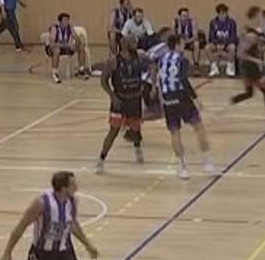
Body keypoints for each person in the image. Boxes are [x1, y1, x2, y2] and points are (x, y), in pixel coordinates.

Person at [152, 33, 214, 179]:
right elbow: (183, 80)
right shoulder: (182, 60)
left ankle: (183, 168)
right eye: (182, 43)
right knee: (198, 127)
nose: (184, 45)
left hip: (168, 97)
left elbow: (160, 78)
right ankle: (207, 162)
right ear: (178, 44)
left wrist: (161, 98)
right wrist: (196, 98)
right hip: (181, 95)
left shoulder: (161, 59)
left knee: (175, 132)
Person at [96, 37, 148, 174]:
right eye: (132, 42)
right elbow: (103, 81)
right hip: (120, 99)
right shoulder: (114, 61)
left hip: (135, 99)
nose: (135, 44)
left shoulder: (140, 57)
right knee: (113, 131)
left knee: (135, 130)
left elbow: (151, 67)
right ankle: (101, 160)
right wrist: (112, 96)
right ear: (124, 44)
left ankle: (137, 147)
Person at [224, 6, 265, 125]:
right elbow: (241, 54)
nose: (262, 19)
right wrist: (257, 61)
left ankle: (228, 103)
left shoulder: (251, 30)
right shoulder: (251, 35)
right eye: (260, 16)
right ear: (254, 17)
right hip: (249, 65)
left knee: (249, 93)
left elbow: (254, 47)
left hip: (247, 65)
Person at [45, 13, 89, 83]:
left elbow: (77, 38)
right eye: (65, 21)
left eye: (68, 20)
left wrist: (76, 44)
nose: (67, 22)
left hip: (65, 47)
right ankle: (55, 73)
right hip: (53, 48)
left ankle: (81, 70)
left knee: (81, 47)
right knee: (57, 50)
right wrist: (67, 45)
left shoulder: (69, 27)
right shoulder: (54, 28)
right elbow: (52, 44)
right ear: (60, 22)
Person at [207, 3, 239, 77]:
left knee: (232, 47)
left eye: (224, 13)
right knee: (207, 48)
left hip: (227, 43)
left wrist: (224, 44)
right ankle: (214, 67)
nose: (223, 15)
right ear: (218, 13)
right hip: (217, 43)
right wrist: (217, 44)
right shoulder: (213, 22)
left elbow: (233, 36)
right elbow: (211, 36)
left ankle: (229, 67)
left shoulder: (231, 22)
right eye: (221, 13)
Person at [174, 7, 206, 75]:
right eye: (183, 16)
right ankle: (177, 65)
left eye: (187, 16)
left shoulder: (192, 22)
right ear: (179, 16)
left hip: (190, 40)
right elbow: (173, 35)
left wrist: (186, 41)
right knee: (176, 46)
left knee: (196, 44)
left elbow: (195, 36)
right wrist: (180, 41)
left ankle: (196, 65)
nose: (185, 18)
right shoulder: (176, 22)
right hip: (180, 40)